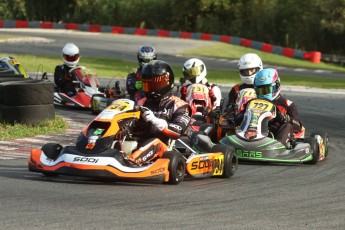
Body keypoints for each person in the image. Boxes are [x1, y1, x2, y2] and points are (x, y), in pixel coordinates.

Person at [127, 60, 191, 165]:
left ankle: (131, 163)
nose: (149, 89)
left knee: (154, 142)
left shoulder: (179, 105)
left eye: (152, 85)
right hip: (138, 143)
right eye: (146, 85)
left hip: (163, 147)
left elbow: (178, 131)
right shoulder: (142, 103)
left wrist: (155, 121)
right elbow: (134, 127)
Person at [235, 68, 303, 148]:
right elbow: (238, 120)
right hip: (253, 132)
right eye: (261, 90)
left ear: (276, 85)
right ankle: (239, 143)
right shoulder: (252, 102)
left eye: (267, 89)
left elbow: (298, 127)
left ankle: (278, 148)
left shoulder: (287, 104)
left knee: (287, 126)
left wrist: (284, 118)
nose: (264, 93)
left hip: (275, 135)